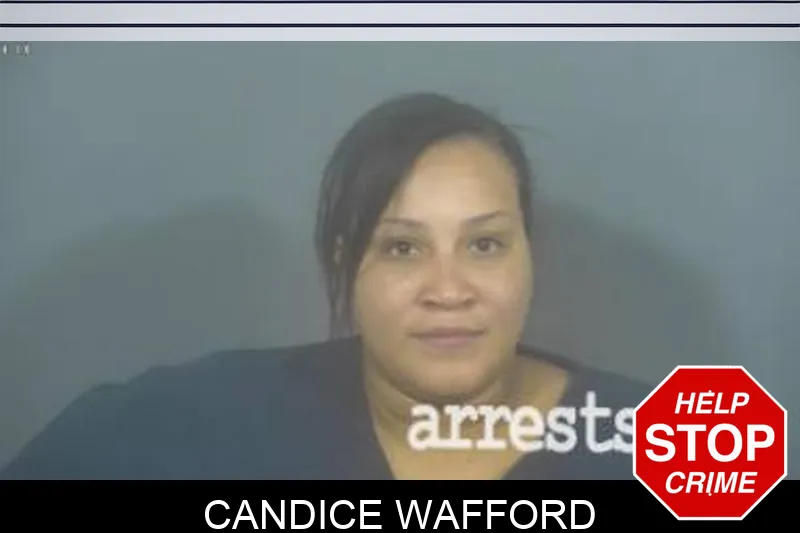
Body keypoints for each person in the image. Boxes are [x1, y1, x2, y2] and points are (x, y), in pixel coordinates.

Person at [1, 93, 652, 480]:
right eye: (402, 248)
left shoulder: (671, 442)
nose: (449, 289)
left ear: (528, 256)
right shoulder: (191, 424)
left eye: (484, 244)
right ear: (346, 264)